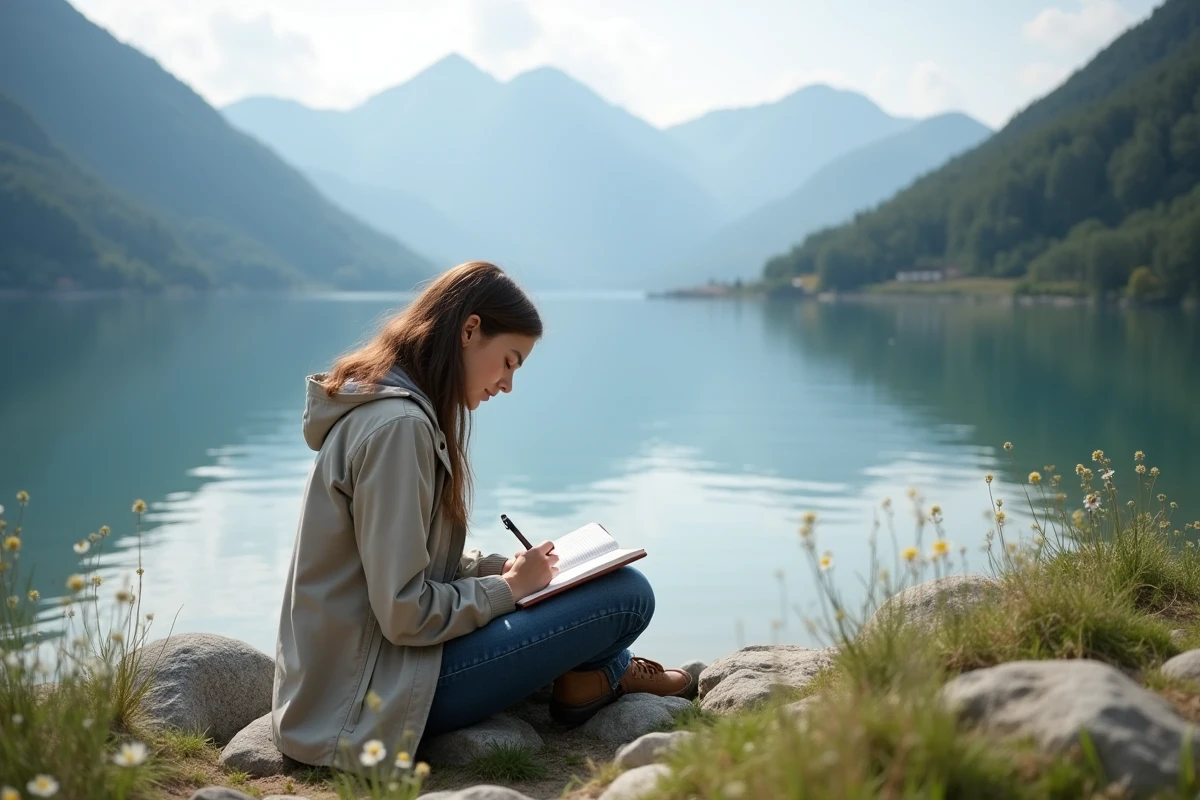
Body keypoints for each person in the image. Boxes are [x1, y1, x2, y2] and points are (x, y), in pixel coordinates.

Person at [272, 261, 693, 770]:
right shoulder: (399, 428)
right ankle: (603, 673)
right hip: (369, 699)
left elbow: (413, 565)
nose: (509, 384)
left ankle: (588, 675)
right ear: (471, 330)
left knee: (589, 584)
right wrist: (509, 591)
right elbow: (405, 611)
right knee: (626, 596)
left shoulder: (396, 410)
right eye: (509, 361)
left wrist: (500, 569)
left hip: (366, 676)